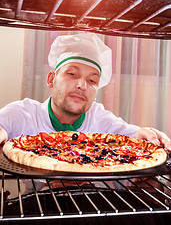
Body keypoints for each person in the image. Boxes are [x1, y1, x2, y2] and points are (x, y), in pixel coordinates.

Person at [0, 32, 170, 151]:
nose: (82, 85)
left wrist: (148, 135)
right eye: (72, 74)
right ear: (51, 79)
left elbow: (130, 133)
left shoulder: (101, 119)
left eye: (92, 80)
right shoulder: (22, 113)